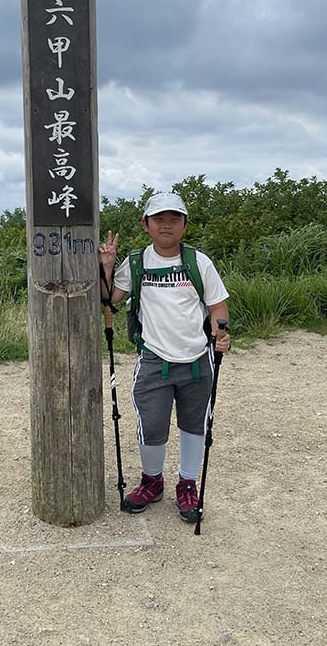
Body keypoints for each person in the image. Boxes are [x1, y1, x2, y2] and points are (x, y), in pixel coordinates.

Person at [99, 191, 230, 522]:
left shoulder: (199, 263)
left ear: (185, 225)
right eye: (159, 219)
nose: (166, 225)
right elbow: (110, 299)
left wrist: (221, 334)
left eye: (174, 219)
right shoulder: (137, 262)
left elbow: (217, 307)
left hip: (197, 360)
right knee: (152, 425)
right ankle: (152, 481)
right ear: (146, 225)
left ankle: (187, 485)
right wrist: (108, 266)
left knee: (194, 425)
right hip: (154, 359)